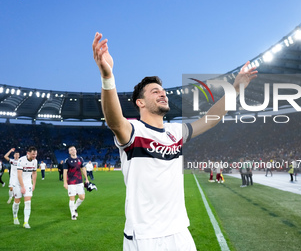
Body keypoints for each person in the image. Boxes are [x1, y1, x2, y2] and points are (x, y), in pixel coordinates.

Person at [92, 32, 257, 250]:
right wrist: (107, 76)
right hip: (144, 236)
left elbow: (209, 120)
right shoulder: (133, 131)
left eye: (163, 91)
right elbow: (114, 120)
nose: (163, 94)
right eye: (154, 91)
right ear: (140, 102)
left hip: (180, 233)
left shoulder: (175, 132)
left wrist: (235, 89)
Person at [12, 146, 38, 228]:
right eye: (33, 154)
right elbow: (19, 174)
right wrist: (22, 187)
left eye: (36, 154)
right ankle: (15, 216)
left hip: (28, 183)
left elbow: (34, 173)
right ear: (28, 153)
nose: (34, 156)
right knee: (17, 201)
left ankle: (26, 222)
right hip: (18, 183)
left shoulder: (35, 161)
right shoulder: (21, 160)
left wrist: (33, 184)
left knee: (28, 202)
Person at [63, 146, 89, 220]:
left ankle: (74, 207)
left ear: (76, 150)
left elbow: (83, 169)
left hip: (79, 181)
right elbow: (65, 172)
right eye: (71, 150)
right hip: (71, 182)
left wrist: (86, 179)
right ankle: (73, 214)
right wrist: (65, 183)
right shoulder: (67, 160)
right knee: (72, 198)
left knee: (82, 197)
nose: (73, 150)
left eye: (74, 149)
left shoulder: (80, 159)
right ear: (69, 152)